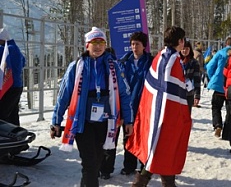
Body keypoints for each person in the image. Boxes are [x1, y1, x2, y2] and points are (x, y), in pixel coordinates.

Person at [50, 27, 133, 187]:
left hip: (105, 121)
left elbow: (124, 94)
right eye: (94, 42)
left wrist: (128, 120)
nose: (98, 46)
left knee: (97, 162)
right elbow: (64, 96)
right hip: (83, 121)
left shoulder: (113, 67)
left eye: (101, 42)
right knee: (89, 163)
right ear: (87, 45)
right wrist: (56, 121)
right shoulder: (76, 67)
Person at [126, 26, 191, 187]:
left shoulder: (160, 56)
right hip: (167, 116)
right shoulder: (173, 61)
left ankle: (142, 183)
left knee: (159, 150)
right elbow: (173, 92)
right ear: (180, 41)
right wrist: (188, 87)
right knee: (164, 149)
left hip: (154, 112)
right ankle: (145, 184)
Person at [100, 32, 153, 179]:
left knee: (140, 137)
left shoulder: (150, 63)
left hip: (142, 106)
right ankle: (124, 167)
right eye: (133, 44)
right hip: (123, 106)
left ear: (144, 46)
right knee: (120, 136)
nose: (134, 47)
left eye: (137, 44)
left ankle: (143, 166)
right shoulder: (123, 62)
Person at [206, 37, 231, 138]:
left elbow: (209, 66)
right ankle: (227, 131)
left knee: (216, 107)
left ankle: (217, 125)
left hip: (219, 84)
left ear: (225, 44)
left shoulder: (220, 53)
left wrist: (213, 78)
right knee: (230, 110)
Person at [0, 28, 26, 126]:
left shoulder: (5, 49)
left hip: (8, 86)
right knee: (13, 113)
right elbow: (23, 62)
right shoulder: (16, 49)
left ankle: (5, 136)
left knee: (3, 114)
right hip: (17, 86)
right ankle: (17, 134)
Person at [180, 40, 201, 111]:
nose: (184, 51)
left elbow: (197, 80)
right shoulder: (176, 60)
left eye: (187, 49)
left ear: (190, 50)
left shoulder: (194, 63)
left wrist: (197, 95)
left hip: (189, 93)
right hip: (177, 93)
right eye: (183, 48)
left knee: (186, 115)